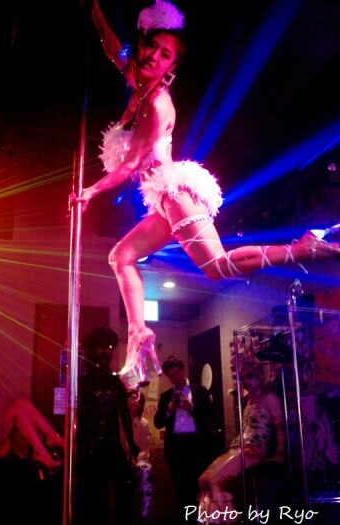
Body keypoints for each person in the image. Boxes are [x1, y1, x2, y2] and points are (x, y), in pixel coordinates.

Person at [69, 0, 340, 389]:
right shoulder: (137, 81)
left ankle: (304, 248)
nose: (154, 57)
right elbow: (114, 49)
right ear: (142, 44)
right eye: (152, 47)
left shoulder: (157, 104)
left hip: (175, 193)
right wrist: (95, 11)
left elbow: (130, 165)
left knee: (217, 266)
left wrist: (90, 191)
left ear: (171, 66)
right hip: (162, 201)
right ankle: (138, 330)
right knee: (121, 256)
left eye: (166, 55)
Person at [197, 362, 285, 525]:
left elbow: (280, 426)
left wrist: (279, 453)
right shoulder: (249, 402)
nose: (245, 381)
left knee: (216, 479)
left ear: (260, 376)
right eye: (242, 378)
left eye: (249, 376)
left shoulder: (270, 398)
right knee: (203, 479)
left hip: (254, 449)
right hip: (238, 447)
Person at [75, 326, 139, 525]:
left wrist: (131, 444)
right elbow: (76, 417)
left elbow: (124, 415)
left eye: (109, 347)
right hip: (88, 446)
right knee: (92, 494)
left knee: (124, 486)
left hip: (111, 445)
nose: (106, 352)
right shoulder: (81, 382)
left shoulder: (114, 382)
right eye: (101, 347)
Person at [154, 356, 215, 525]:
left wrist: (192, 407)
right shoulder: (166, 396)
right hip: (176, 450)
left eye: (177, 373)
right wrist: (169, 410)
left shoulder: (200, 391)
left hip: (197, 447)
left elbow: (212, 415)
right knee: (181, 490)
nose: (175, 378)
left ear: (183, 370)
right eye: (171, 376)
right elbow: (158, 423)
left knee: (200, 488)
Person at [127, 389, 154, 525]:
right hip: (122, 460)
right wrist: (128, 459)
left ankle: (145, 515)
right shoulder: (119, 421)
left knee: (146, 471)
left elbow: (145, 449)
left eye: (139, 400)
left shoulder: (143, 423)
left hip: (138, 460)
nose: (135, 402)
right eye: (132, 398)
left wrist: (135, 460)